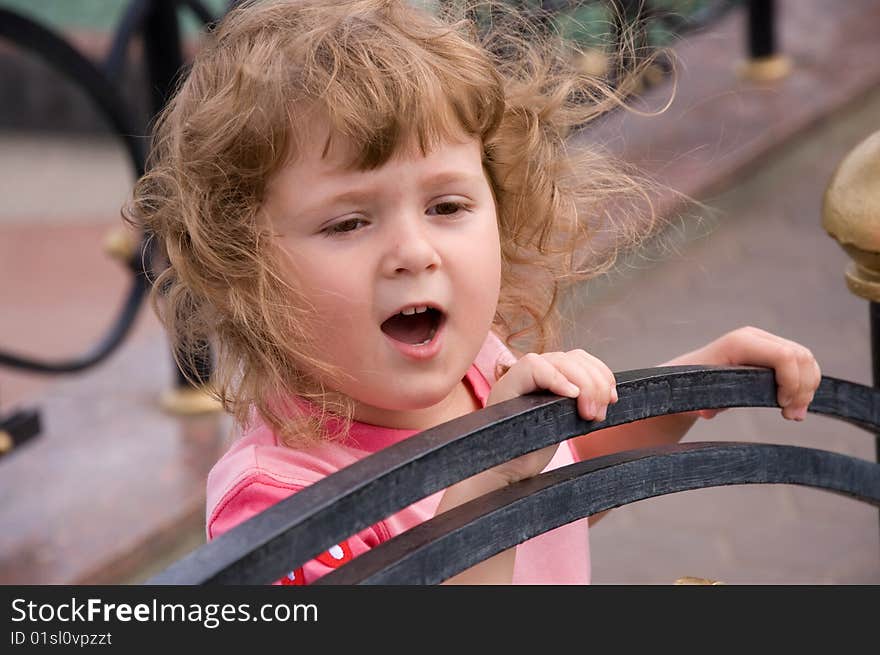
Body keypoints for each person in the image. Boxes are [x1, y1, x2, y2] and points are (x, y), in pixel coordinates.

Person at [127, 0, 821, 584]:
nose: (413, 252)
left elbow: (565, 483)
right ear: (246, 265)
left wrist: (690, 390)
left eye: (447, 207)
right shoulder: (275, 502)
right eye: (348, 221)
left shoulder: (480, 367)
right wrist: (497, 472)